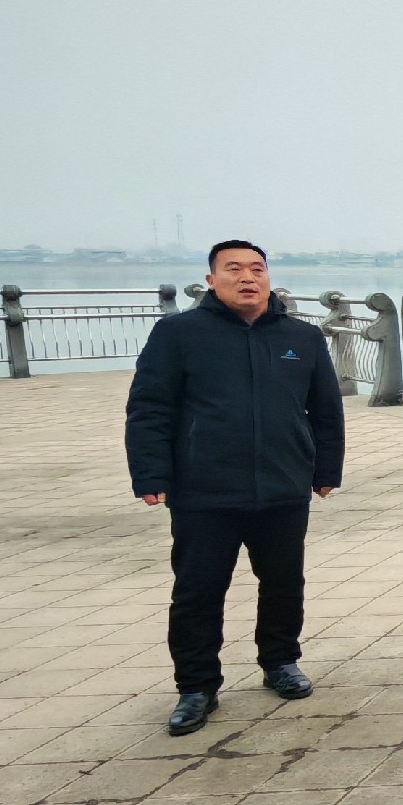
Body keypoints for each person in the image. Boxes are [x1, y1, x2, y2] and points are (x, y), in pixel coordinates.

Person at [124, 240, 344, 737]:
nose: (248, 277)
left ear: (268, 278)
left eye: (257, 269)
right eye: (234, 269)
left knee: (284, 583)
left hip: (283, 486)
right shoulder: (178, 334)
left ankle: (280, 662)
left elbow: (326, 411)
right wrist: (150, 475)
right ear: (211, 280)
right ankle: (196, 687)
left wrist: (326, 469)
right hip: (204, 491)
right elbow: (149, 408)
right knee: (197, 592)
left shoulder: (303, 337)